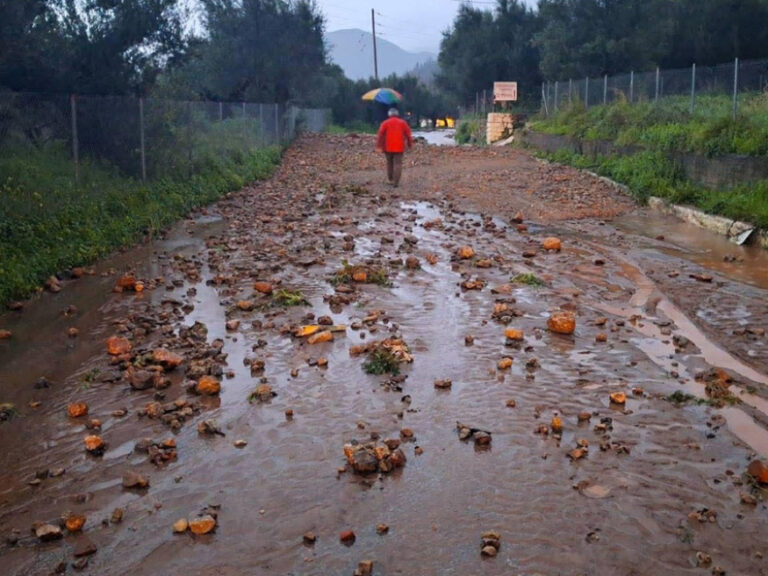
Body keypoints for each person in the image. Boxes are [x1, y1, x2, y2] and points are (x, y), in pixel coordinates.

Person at [376, 108, 413, 187]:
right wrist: (410, 144)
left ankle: (390, 179)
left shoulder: (385, 123)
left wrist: (379, 146)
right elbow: (408, 135)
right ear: (397, 114)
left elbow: (380, 135)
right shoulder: (403, 123)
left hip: (387, 146)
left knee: (389, 163)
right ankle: (396, 182)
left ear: (389, 114)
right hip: (399, 146)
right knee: (398, 164)